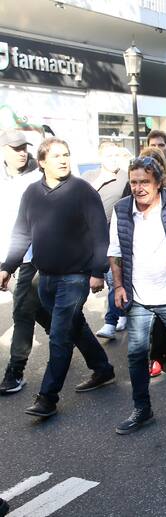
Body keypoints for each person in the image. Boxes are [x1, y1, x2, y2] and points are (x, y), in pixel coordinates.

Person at [0, 137, 116, 417]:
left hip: (75, 278)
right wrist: (8, 266)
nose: (63, 160)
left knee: (60, 336)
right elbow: (22, 233)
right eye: (56, 156)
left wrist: (98, 271)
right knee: (73, 326)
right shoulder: (32, 193)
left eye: (66, 154)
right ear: (41, 163)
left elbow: (100, 232)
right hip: (45, 277)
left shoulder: (82, 190)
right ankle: (102, 369)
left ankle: (47, 398)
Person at [109, 156, 166, 434]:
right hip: (138, 297)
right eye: (133, 182)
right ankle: (142, 409)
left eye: (144, 181)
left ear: (158, 183)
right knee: (136, 355)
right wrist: (120, 287)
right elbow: (116, 252)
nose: (138, 187)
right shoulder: (121, 210)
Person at [0, 129, 44, 394]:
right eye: (15, 148)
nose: (22, 152)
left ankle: (15, 371)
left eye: (24, 147)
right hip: (9, 258)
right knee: (44, 312)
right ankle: (97, 362)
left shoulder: (38, 178)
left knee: (22, 312)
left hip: (31, 258)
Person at [83, 141, 129, 340]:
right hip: (90, 238)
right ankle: (122, 311)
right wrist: (100, 180)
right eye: (109, 156)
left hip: (115, 237)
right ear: (100, 157)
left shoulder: (126, 177)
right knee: (104, 281)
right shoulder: (89, 177)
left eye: (116, 155)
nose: (114, 159)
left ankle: (111, 320)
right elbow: (80, 199)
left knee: (113, 278)